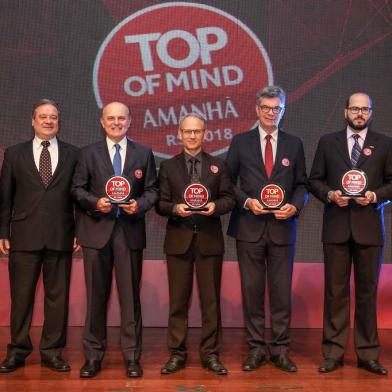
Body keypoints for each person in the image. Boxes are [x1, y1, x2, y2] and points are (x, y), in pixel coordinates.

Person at [71, 102, 158, 378]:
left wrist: (139, 205)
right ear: (102, 121)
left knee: (130, 298)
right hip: (96, 232)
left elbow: (153, 190)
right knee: (96, 297)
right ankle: (93, 357)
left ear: (130, 121)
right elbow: (77, 189)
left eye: (121, 118)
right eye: (111, 118)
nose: (116, 122)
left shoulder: (144, 153)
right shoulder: (87, 154)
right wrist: (96, 202)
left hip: (129, 233)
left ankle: (132, 357)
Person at [309, 92, 392, 375]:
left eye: (364, 109)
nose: (359, 114)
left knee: (367, 293)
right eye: (355, 108)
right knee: (335, 293)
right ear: (345, 111)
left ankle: (368, 354)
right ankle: (332, 353)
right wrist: (330, 194)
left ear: (371, 112)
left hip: (369, 229)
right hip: (336, 227)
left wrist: (375, 196)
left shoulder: (385, 144)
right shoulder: (327, 142)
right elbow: (314, 181)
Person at [226, 86, 307, 373]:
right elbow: (227, 183)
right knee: (252, 290)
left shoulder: (294, 144)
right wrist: (247, 202)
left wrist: (295, 207)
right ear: (257, 110)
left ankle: (281, 349)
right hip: (249, 228)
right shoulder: (240, 142)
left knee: (281, 291)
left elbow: (302, 185)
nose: (272, 113)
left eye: (277, 108)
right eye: (267, 108)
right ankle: (257, 348)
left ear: (283, 110)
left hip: (283, 229)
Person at [0, 99, 79, 373]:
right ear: (33, 121)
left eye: (53, 117)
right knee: (21, 297)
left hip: (61, 235)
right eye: (43, 117)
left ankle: (52, 351)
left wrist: (78, 230)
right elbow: (5, 197)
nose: (48, 121)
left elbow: (77, 197)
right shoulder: (14, 153)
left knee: (57, 298)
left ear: (59, 122)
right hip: (23, 235)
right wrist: (3, 231)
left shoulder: (73, 154)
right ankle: (18, 350)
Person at [157, 113, 235, 375]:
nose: (192, 136)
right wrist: (176, 208)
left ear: (205, 134)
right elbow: (161, 203)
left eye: (197, 131)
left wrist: (214, 207)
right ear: (179, 134)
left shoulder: (218, 165)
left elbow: (229, 199)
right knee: (178, 302)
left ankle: (210, 354)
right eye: (187, 131)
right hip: (178, 241)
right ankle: (177, 354)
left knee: (210, 302)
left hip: (209, 242)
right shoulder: (168, 167)